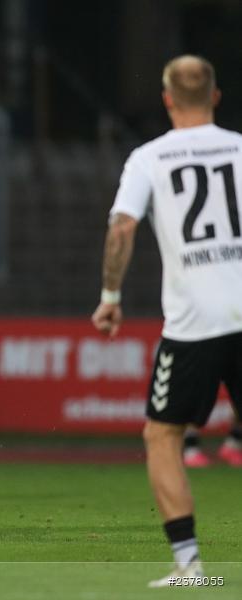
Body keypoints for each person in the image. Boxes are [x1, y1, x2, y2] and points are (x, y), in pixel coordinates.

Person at [91, 55, 242, 587]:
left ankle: (189, 566)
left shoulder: (149, 157)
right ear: (215, 96)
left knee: (162, 436)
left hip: (194, 323)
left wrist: (110, 296)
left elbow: (122, 228)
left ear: (167, 99)